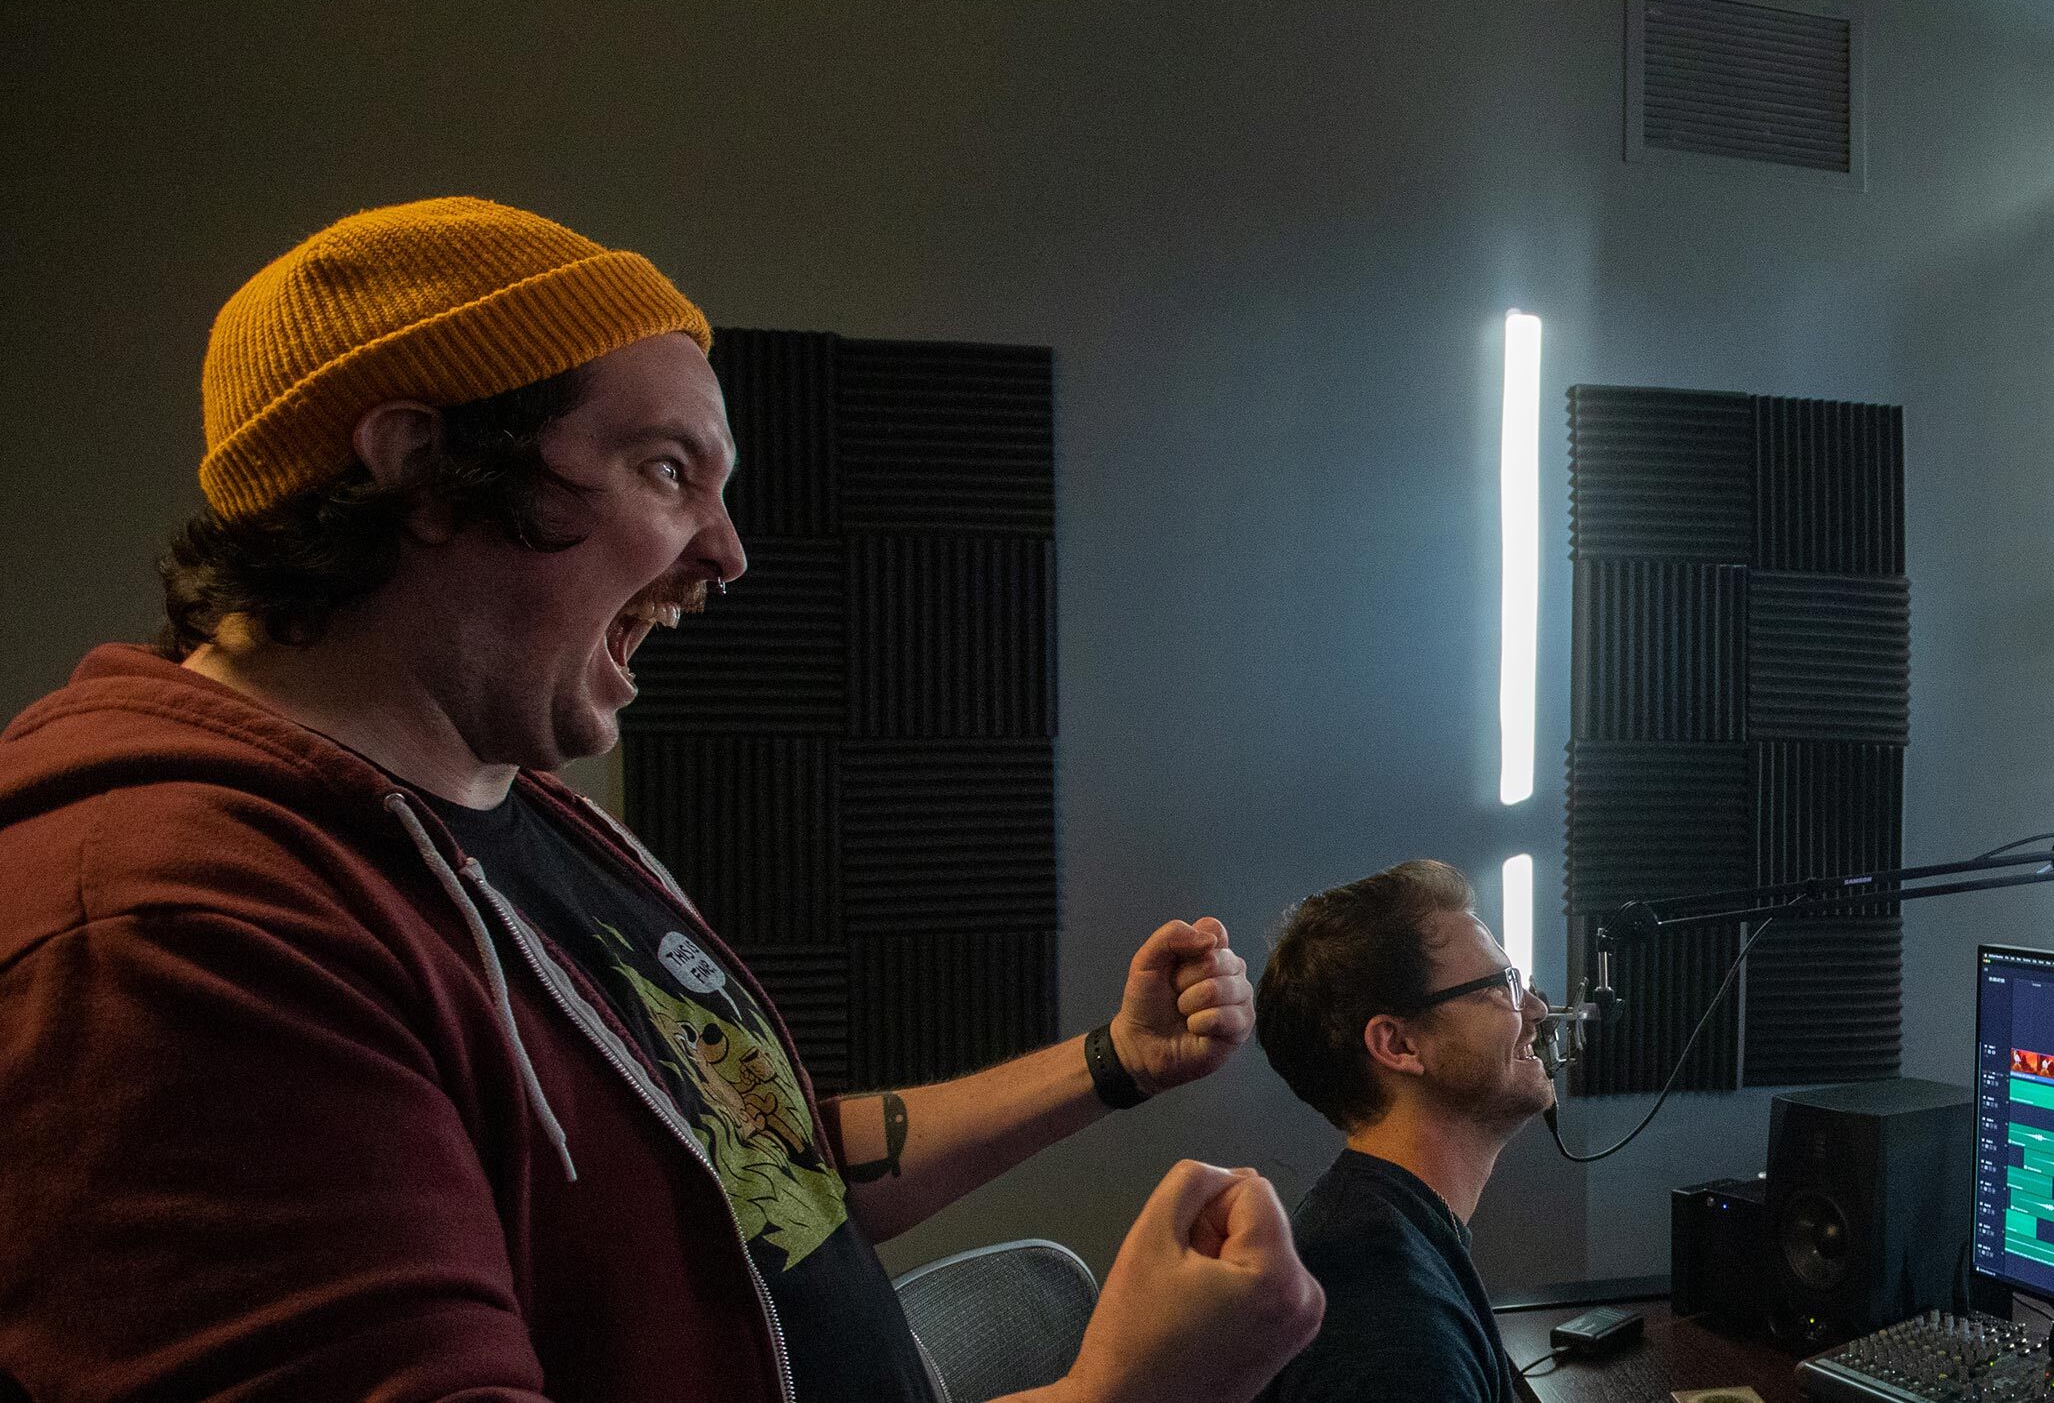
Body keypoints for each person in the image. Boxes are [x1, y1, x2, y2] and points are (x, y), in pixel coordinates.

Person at [0, 198, 1321, 1403]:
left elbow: (762, 1171)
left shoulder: (519, 808)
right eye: (667, 470)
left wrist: (1112, 1062)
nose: (729, 554)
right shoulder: (168, 929)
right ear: (420, 470)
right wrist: (1123, 1395)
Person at [1252, 859, 1558, 1403]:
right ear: (1399, 1045)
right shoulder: (1388, 1323)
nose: (1535, 1010)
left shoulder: (1388, 1233)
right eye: (1500, 987)